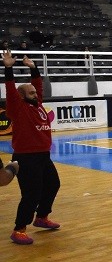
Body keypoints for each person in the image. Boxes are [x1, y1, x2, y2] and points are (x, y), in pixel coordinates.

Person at [3, 51, 61, 245]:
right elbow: (10, 90)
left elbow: (38, 85)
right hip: (26, 157)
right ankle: (19, 229)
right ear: (21, 96)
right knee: (31, 194)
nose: (36, 94)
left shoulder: (38, 104)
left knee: (52, 185)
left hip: (43, 155)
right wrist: (8, 68)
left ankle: (41, 217)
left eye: (35, 93)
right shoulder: (17, 108)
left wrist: (34, 68)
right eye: (31, 93)